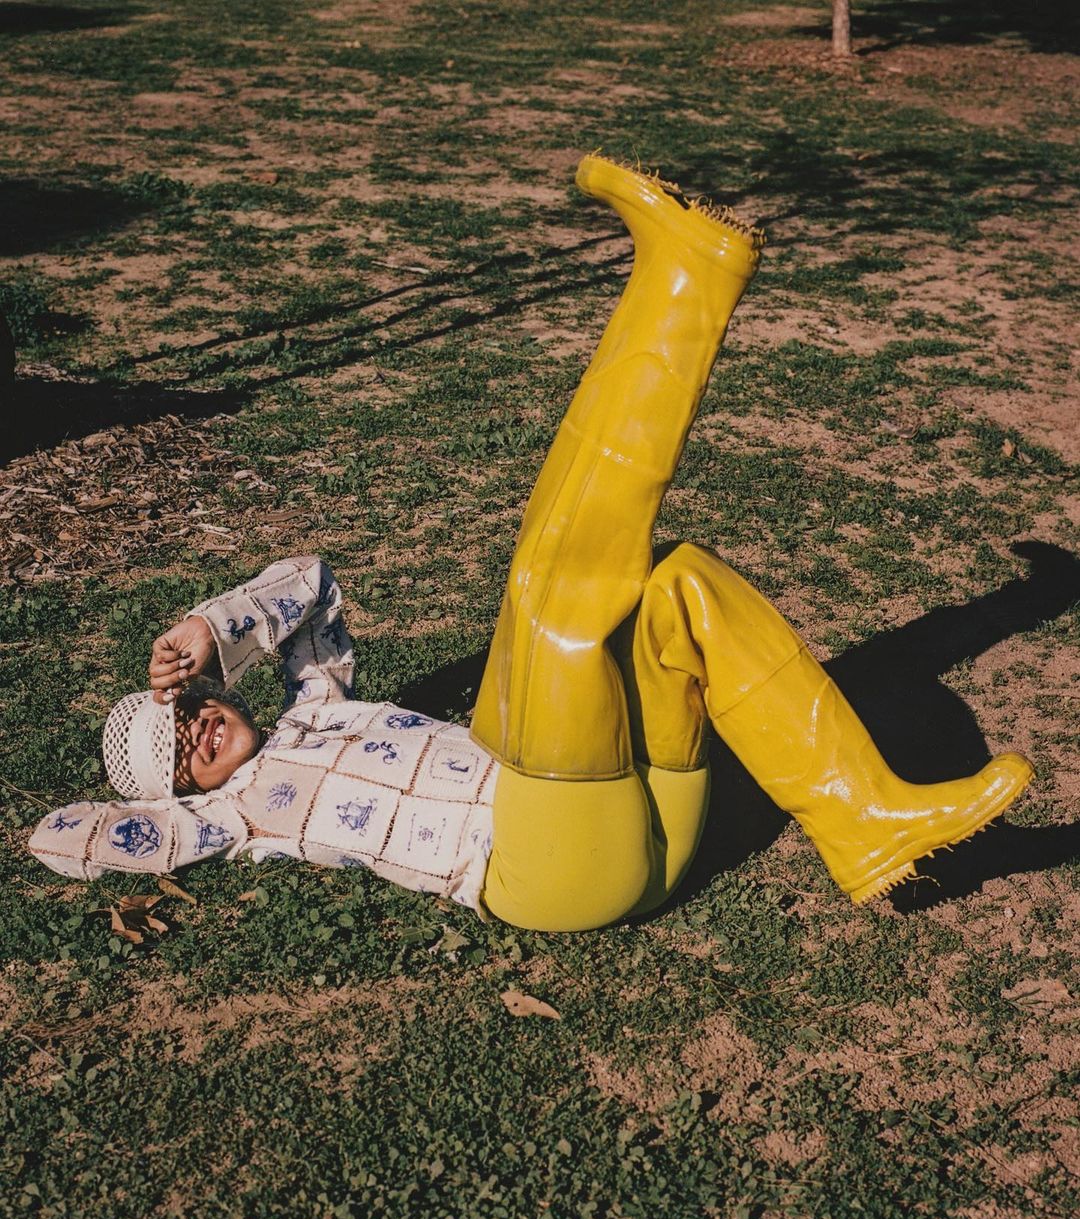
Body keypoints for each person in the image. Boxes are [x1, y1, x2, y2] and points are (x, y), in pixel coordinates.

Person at [28, 154, 1033, 930]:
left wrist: (209, 633)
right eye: (181, 759)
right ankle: (685, 274)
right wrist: (148, 807)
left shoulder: (315, 702)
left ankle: (866, 821)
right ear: (184, 795)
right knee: (557, 604)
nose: (198, 737)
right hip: (547, 868)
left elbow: (312, 583)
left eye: (187, 718)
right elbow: (59, 839)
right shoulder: (227, 819)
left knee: (677, 584)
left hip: (638, 812)